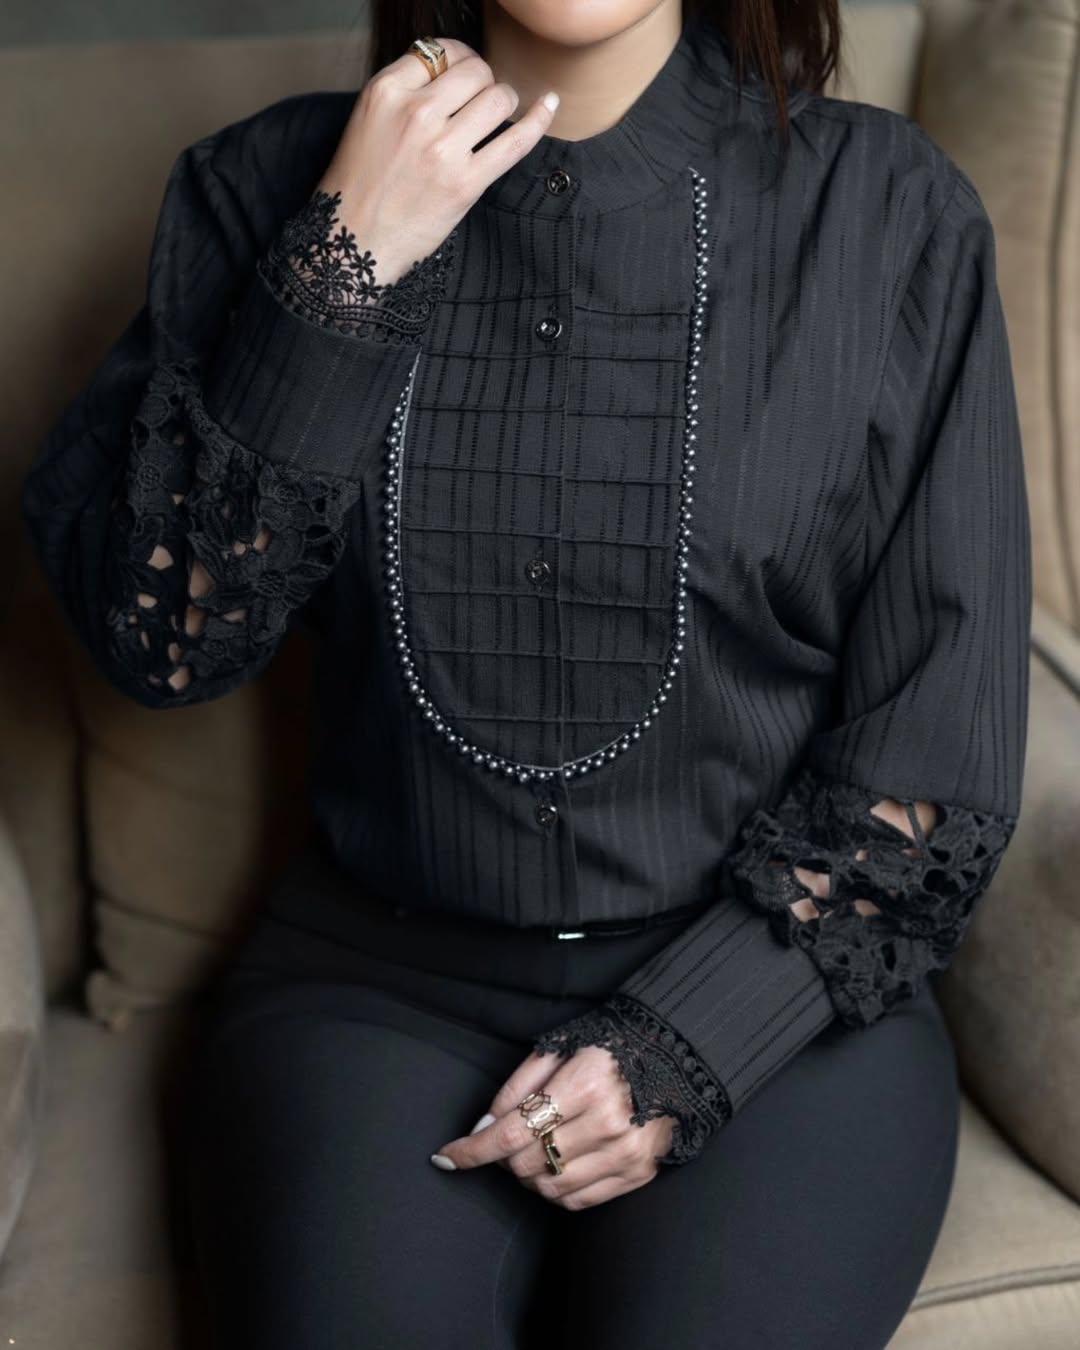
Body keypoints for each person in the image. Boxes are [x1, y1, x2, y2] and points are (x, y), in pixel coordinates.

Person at [20, 0, 1032, 1345]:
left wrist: (689, 1038)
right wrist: (346, 260)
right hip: (375, 991)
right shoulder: (265, 186)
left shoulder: (891, 210)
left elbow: (936, 757)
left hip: (779, 1000)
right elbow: (163, 646)